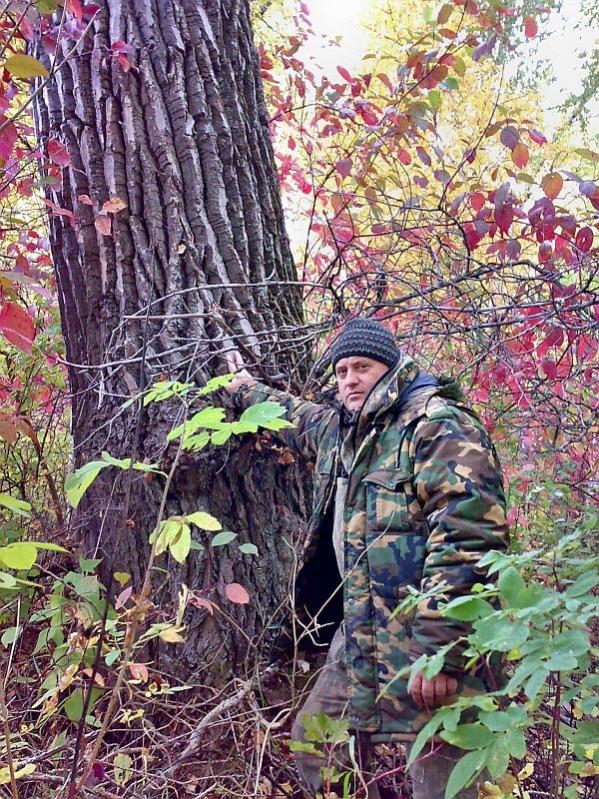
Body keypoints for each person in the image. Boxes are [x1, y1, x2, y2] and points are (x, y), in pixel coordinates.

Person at [224, 317, 509, 799]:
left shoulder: (436, 425)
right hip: (362, 631)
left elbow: (470, 539)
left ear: (390, 367)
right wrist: (241, 389)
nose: (350, 379)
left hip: (432, 641)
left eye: (362, 367)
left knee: (443, 779)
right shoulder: (345, 432)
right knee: (317, 743)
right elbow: (293, 417)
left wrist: (442, 654)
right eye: (342, 371)